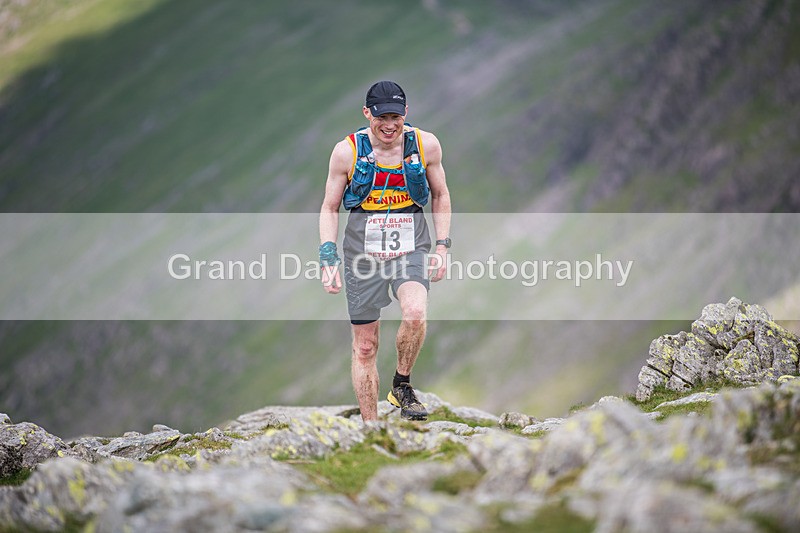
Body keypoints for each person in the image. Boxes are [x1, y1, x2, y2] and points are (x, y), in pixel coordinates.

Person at [318, 80, 451, 422]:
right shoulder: (347, 151)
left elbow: (440, 195)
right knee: (365, 346)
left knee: (416, 313)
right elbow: (330, 207)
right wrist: (328, 257)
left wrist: (442, 245)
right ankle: (371, 429)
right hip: (362, 257)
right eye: (381, 117)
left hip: (410, 249)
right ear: (367, 114)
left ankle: (401, 385)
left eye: (396, 116)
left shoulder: (426, 146)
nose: (389, 125)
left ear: (406, 113)